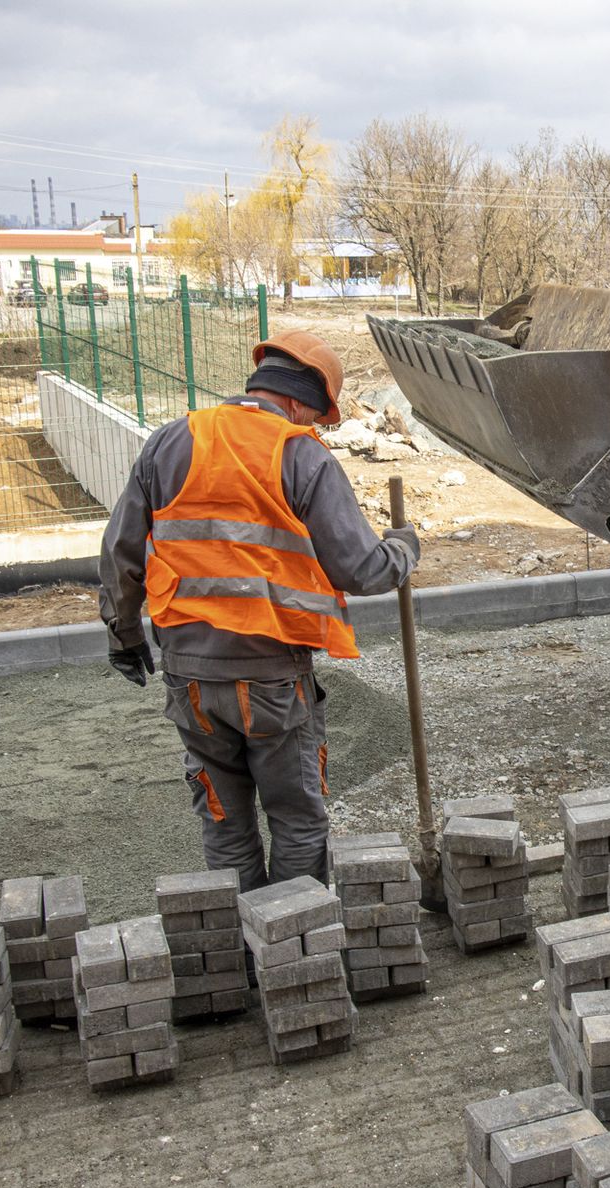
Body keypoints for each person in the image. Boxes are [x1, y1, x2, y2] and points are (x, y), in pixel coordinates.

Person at [99, 331, 419, 890]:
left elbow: (121, 551)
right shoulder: (300, 455)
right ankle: (291, 956)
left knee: (225, 824)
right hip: (270, 680)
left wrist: (123, 634)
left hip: (190, 679)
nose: (313, 428)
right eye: (316, 417)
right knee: (296, 823)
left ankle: (245, 956)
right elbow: (360, 569)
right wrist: (404, 548)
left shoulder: (169, 442)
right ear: (298, 401)